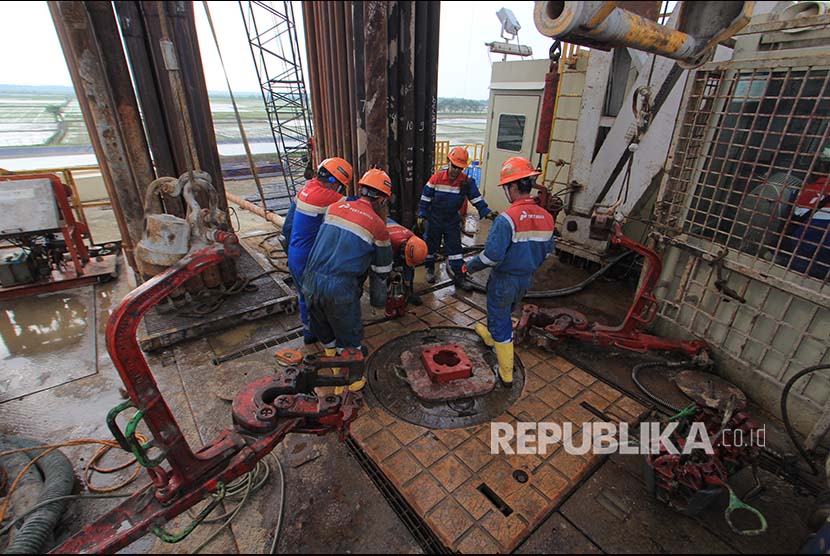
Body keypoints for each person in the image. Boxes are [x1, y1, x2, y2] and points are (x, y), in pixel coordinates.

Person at [462, 157, 556, 387]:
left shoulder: (507, 219)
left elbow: (491, 256)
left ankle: (505, 373)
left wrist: (469, 266)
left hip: (505, 279)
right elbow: (547, 253)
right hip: (526, 279)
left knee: (500, 317)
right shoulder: (547, 218)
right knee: (505, 311)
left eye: (506, 187)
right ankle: (491, 335)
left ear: (513, 186)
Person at [301, 168, 394, 393]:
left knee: (324, 329)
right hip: (339, 289)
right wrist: (379, 302)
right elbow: (382, 270)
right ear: (381, 199)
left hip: (309, 281)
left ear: (360, 188)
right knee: (350, 337)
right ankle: (351, 382)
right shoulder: (378, 226)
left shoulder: (334, 208)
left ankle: (333, 367)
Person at [283, 157, 352, 345]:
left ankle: (309, 334)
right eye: (340, 185)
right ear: (334, 182)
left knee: (304, 297)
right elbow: (357, 207)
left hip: (295, 253)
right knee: (320, 301)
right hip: (308, 259)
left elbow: (287, 227)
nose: (340, 189)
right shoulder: (329, 196)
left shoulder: (306, 189)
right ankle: (328, 340)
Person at [417, 146, 497, 289]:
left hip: (451, 221)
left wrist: (486, 211)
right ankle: (429, 269)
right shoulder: (436, 179)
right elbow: (425, 198)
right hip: (434, 219)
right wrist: (422, 215)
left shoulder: (467, 182)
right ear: (448, 161)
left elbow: (476, 199)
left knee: (455, 251)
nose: (456, 171)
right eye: (454, 166)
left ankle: (460, 276)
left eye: (460, 168)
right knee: (430, 246)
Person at [387, 218, 428, 305]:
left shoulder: (412, 240)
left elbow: (409, 265)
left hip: (390, 231)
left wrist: (409, 289)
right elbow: (379, 263)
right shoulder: (388, 242)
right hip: (372, 230)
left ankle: (408, 291)